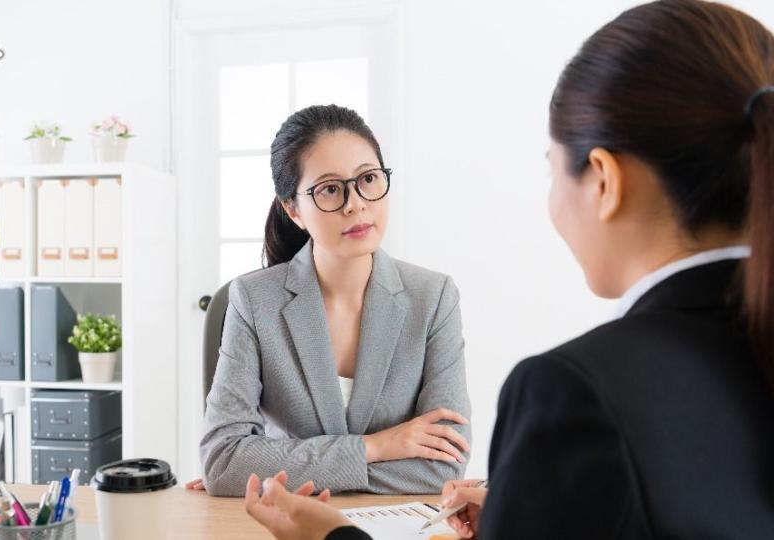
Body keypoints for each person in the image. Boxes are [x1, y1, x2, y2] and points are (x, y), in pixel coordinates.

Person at [243, 0, 774, 537]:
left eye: (551, 167)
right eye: (330, 189)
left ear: (605, 181)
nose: (355, 203)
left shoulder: (573, 392)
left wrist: (331, 536)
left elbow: (444, 459)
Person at [195, 104, 472, 496]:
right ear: (293, 209)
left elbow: (442, 470)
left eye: (368, 179)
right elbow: (224, 463)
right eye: (329, 189)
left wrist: (273, 471)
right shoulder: (252, 300)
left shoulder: (434, 297)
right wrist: (374, 447)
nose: (356, 203)